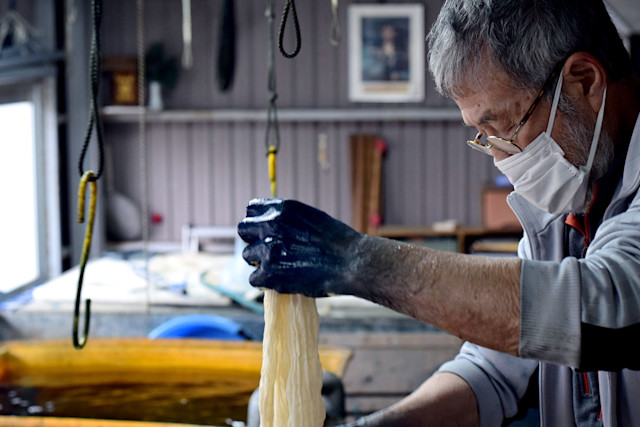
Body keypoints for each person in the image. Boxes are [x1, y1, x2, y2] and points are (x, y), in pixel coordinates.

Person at [238, 0, 640, 425]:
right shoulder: (570, 197)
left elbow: (602, 307)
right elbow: (492, 372)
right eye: (483, 136)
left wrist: (355, 260)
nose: (499, 155)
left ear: (584, 81)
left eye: (504, 126)